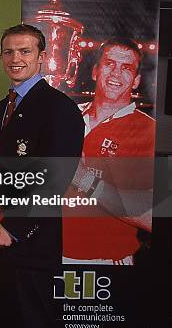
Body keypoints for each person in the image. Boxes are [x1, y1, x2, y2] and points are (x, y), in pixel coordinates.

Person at [0, 24, 84, 328]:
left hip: (30, 249)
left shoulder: (59, 108)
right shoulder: (0, 108)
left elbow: (55, 178)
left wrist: (11, 227)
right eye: (8, 51)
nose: (15, 58)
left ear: (41, 57)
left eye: (25, 51)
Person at [63, 37, 155, 265]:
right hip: (48, 256)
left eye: (126, 68)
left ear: (136, 80)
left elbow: (150, 217)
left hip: (105, 262)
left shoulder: (149, 130)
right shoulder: (65, 116)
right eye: (109, 64)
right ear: (95, 71)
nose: (116, 73)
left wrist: (83, 179)